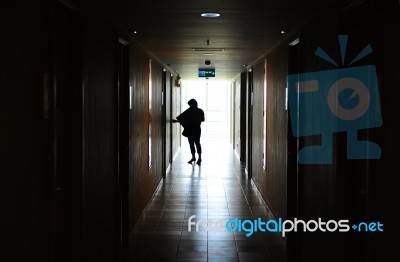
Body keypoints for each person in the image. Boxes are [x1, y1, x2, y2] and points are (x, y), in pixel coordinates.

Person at [172, 99, 205, 165]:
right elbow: (183, 119)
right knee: (193, 143)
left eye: (190, 105)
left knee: (195, 143)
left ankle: (198, 158)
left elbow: (202, 119)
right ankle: (195, 157)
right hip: (193, 129)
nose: (190, 106)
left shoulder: (193, 111)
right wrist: (176, 121)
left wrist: (192, 120)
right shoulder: (197, 111)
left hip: (194, 129)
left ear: (194, 104)